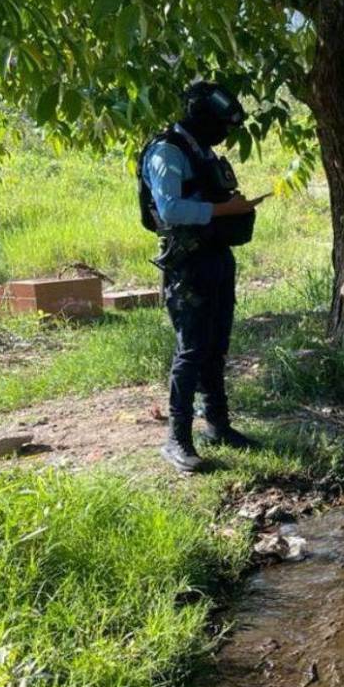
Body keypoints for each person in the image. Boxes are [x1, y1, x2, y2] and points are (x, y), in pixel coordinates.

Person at [138, 82, 266, 472]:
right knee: (191, 349)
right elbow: (171, 209)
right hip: (187, 265)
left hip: (216, 257)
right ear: (201, 118)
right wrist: (226, 211)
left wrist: (233, 207)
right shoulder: (167, 151)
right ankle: (177, 439)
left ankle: (218, 425)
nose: (225, 135)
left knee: (217, 345)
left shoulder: (201, 151)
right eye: (221, 126)